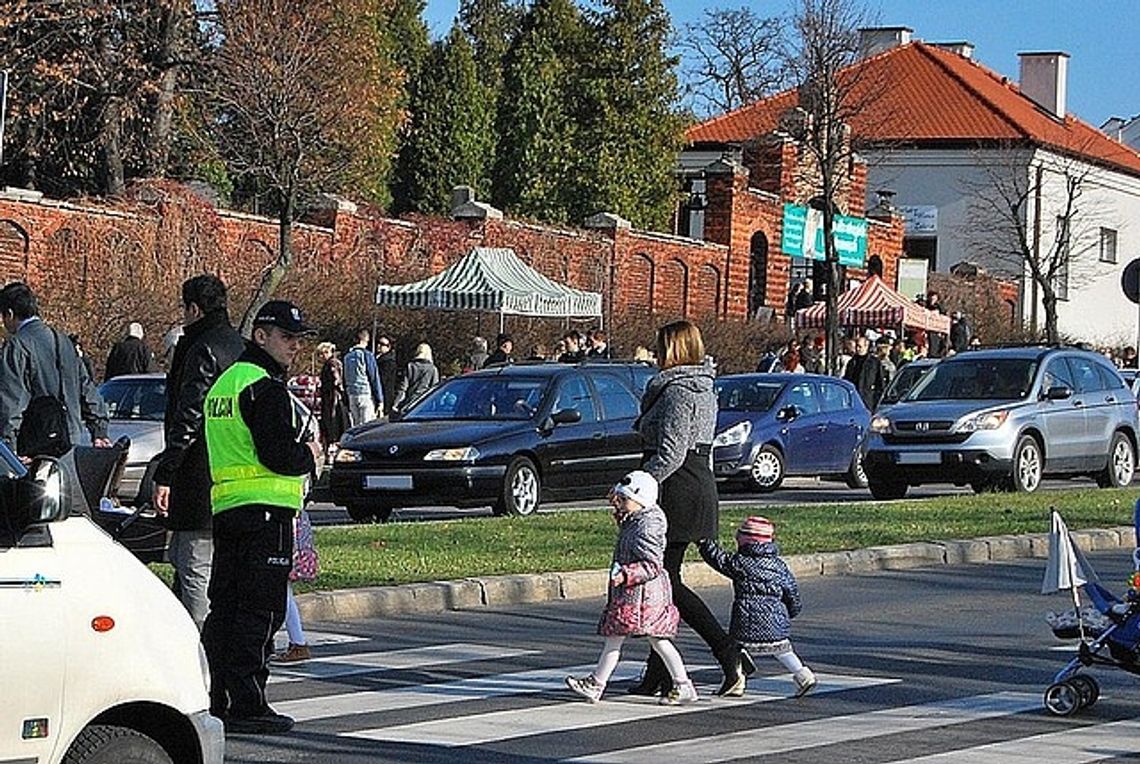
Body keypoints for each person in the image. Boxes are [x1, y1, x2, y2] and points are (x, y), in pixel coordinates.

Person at [201, 299, 321, 735]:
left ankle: (214, 696)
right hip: (266, 513)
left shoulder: (225, 385)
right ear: (261, 336)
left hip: (229, 510)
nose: (294, 346)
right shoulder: (265, 388)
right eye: (287, 337)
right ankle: (248, 703)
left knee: (225, 609)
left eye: (298, 338)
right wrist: (307, 454)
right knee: (260, 612)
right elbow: (278, 455)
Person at [629, 319, 751, 698]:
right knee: (663, 581)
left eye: (660, 346)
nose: (655, 353)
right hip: (693, 482)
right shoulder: (702, 387)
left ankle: (727, 651)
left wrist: (638, 488)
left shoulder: (678, 392)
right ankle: (659, 674)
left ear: (675, 350)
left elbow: (672, 451)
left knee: (665, 583)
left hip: (676, 486)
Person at [153, 274, 245, 630]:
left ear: (193, 309)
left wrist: (166, 473)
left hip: (198, 477)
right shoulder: (237, 346)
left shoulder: (201, 347)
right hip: (230, 475)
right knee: (202, 567)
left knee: (194, 568)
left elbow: (188, 417)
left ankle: (201, 656)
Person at [565, 471, 697, 705]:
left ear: (641, 500)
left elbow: (653, 565)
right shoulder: (637, 519)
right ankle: (597, 684)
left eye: (624, 500)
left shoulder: (645, 528)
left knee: (656, 640)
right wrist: (619, 506)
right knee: (621, 639)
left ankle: (682, 684)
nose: (621, 504)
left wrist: (626, 574)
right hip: (633, 597)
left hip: (644, 597)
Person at [698, 516, 817, 697]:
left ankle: (737, 680)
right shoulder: (779, 566)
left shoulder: (740, 563)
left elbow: (719, 559)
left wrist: (704, 544)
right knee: (784, 651)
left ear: (744, 540)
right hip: (776, 620)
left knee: (735, 649)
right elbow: (791, 591)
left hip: (746, 619)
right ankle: (804, 675)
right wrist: (792, 610)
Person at [0, 282, 110, 454]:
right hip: (70, 437)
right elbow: (86, 388)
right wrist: (99, 430)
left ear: (10, 314)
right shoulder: (64, 341)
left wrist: (9, 447)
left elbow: (12, 402)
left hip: (35, 444)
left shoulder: (17, 346)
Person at [271, 507, 319, 664]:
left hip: (287, 533)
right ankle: (296, 643)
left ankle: (298, 644)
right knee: (284, 593)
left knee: (283, 594)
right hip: (294, 527)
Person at [343, 329, 383, 427]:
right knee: (366, 426)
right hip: (365, 394)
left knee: (355, 425)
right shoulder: (367, 355)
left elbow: (344, 377)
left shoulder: (347, 357)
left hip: (352, 394)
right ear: (364, 340)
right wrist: (380, 399)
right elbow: (374, 377)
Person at [316, 341, 348, 453]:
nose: (321, 356)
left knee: (333, 423)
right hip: (329, 397)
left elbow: (337, 380)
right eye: (320, 353)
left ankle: (333, 448)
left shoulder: (332, 364)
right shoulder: (331, 364)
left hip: (333, 398)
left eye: (324, 352)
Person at [393, 342, 440, 412]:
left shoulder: (410, 366)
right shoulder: (432, 369)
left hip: (410, 402)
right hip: (425, 402)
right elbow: (435, 390)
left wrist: (396, 404)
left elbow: (403, 387)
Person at [844, 335, 885, 409]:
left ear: (866, 346)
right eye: (856, 346)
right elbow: (847, 380)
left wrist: (875, 400)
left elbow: (880, 383)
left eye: (860, 346)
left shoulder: (874, 362)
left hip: (868, 401)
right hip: (854, 400)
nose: (857, 349)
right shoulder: (852, 362)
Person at [375, 336, 398, 417]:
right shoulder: (377, 358)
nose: (378, 346)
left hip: (385, 395)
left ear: (388, 347)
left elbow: (382, 379)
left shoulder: (388, 362)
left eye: (382, 344)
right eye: (378, 343)